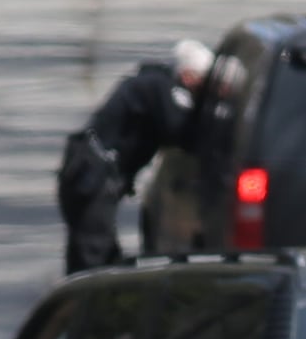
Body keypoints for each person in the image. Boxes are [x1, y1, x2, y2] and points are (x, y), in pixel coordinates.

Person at [57, 38, 210, 273]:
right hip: (92, 174)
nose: (204, 90)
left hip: (87, 168)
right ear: (189, 75)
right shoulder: (162, 88)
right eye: (203, 82)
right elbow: (181, 130)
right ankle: (89, 301)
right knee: (93, 251)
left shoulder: (154, 80)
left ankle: (84, 297)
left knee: (93, 248)